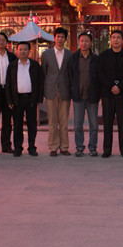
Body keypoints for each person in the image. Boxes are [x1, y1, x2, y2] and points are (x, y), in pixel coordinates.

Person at [98, 30, 123, 158]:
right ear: (110, 40)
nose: (116, 40)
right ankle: (107, 150)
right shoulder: (104, 56)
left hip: (122, 94)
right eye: (113, 37)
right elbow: (100, 74)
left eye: (118, 38)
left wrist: (120, 86)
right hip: (107, 94)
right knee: (107, 124)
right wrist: (111, 86)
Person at [6, 41, 43, 157]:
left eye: (25, 49)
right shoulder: (12, 66)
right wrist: (9, 100)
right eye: (20, 49)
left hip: (31, 98)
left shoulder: (35, 65)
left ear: (29, 51)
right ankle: (18, 148)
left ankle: (32, 147)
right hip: (17, 99)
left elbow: (40, 83)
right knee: (17, 125)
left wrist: (39, 99)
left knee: (32, 125)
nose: (23, 51)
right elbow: (8, 84)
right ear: (17, 51)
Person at [41, 27, 72, 157]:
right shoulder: (46, 54)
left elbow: (71, 74)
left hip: (65, 91)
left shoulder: (70, 55)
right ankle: (53, 147)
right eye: (58, 37)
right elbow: (43, 73)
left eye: (62, 37)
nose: (60, 39)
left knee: (64, 122)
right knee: (52, 122)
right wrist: (43, 91)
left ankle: (64, 147)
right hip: (51, 90)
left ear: (65, 39)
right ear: (54, 38)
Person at [69, 32, 100, 157]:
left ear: (91, 43)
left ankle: (93, 147)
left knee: (94, 125)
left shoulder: (96, 59)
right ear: (79, 42)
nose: (84, 43)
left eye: (86, 41)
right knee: (78, 125)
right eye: (82, 41)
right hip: (78, 96)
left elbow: (99, 77)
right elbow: (70, 76)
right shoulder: (73, 58)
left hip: (92, 96)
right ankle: (79, 147)